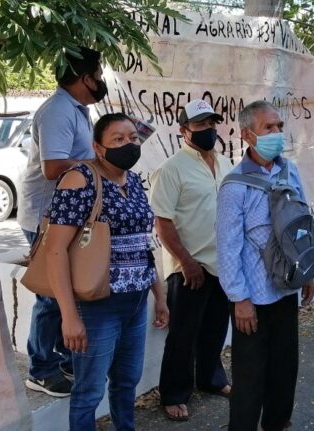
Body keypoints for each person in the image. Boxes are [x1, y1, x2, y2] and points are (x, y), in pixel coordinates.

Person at [44, 113, 169, 429]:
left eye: (132, 138)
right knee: (88, 392)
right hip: (98, 306)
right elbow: (55, 249)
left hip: (136, 303)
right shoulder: (81, 179)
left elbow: (144, 244)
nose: (129, 144)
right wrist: (69, 315)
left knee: (127, 383)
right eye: (118, 139)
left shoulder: (134, 182)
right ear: (98, 148)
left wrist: (159, 294)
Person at [216, 100, 314, 431]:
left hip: (285, 286)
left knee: (285, 367)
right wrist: (239, 299)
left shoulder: (290, 171)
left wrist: (307, 271)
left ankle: (278, 422)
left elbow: (303, 222)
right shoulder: (234, 186)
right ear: (247, 135)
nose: (276, 134)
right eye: (268, 128)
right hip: (253, 297)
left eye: (279, 127)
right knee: (250, 377)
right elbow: (228, 247)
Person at [17, 47, 106, 397]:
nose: (100, 81)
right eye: (98, 75)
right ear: (84, 78)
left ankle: (66, 359)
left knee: (70, 288)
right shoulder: (57, 111)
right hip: (45, 215)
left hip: (66, 214)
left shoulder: (78, 110)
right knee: (52, 292)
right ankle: (40, 369)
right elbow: (53, 168)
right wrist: (97, 164)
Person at [150, 99, 233, 421]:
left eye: (211, 124)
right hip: (188, 268)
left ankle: (212, 380)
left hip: (221, 262)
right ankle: (173, 393)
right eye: (200, 125)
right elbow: (163, 221)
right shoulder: (171, 169)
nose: (208, 130)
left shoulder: (226, 163)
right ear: (184, 131)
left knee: (215, 328)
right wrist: (186, 262)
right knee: (183, 333)